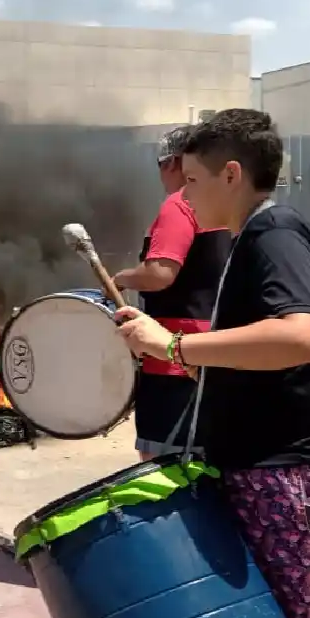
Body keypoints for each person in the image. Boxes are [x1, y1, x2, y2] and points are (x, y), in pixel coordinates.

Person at [115, 109, 310, 618]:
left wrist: (173, 347)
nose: (183, 195)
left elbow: (304, 335)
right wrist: (222, 368)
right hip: (276, 465)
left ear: (231, 173)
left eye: (191, 180)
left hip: (291, 475)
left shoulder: (272, 232)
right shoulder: (259, 237)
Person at [113, 126, 232, 460]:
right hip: (219, 351)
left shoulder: (179, 205)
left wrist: (121, 277)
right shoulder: (226, 207)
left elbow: (160, 274)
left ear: (173, 164)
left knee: (161, 462)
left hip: (173, 355)